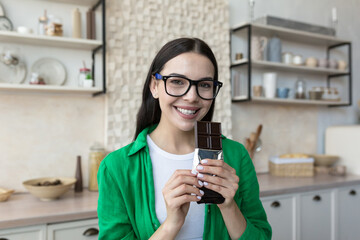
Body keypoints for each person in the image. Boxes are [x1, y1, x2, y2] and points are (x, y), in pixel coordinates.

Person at [97, 37, 272, 239]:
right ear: (154, 86)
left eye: (205, 85)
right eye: (177, 82)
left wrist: (229, 207)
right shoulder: (116, 167)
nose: (191, 97)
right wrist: (172, 224)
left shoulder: (236, 155)